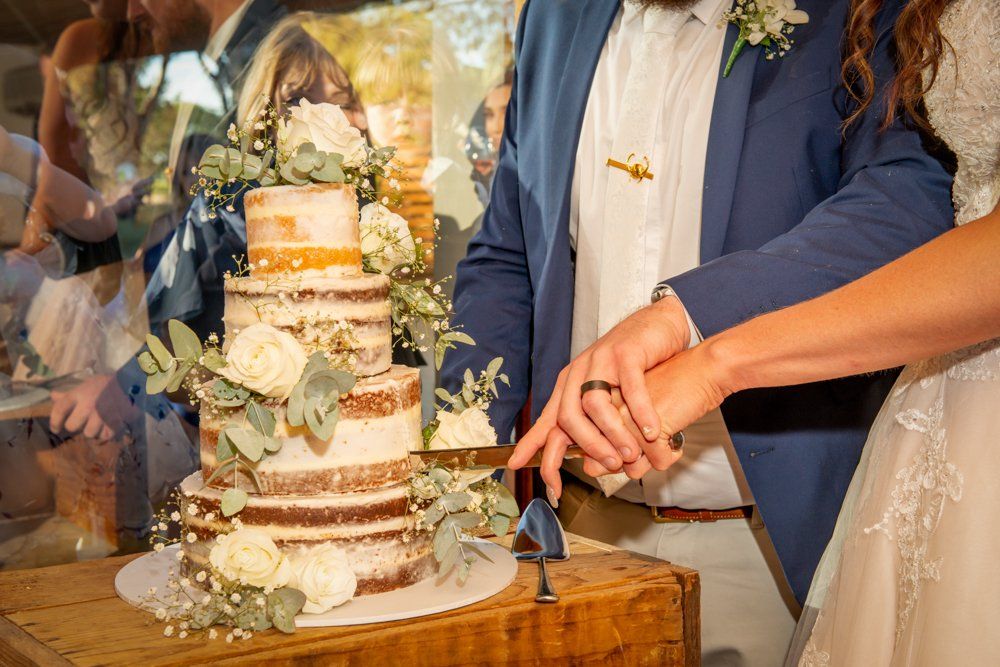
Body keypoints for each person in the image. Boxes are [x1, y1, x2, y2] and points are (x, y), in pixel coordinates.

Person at [442, 0, 954, 663]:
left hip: (770, 552)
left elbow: (904, 202)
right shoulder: (552, 15)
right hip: (571, 536)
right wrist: (455, 461)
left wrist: (687, 313)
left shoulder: (857, 12)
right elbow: (508, 251)